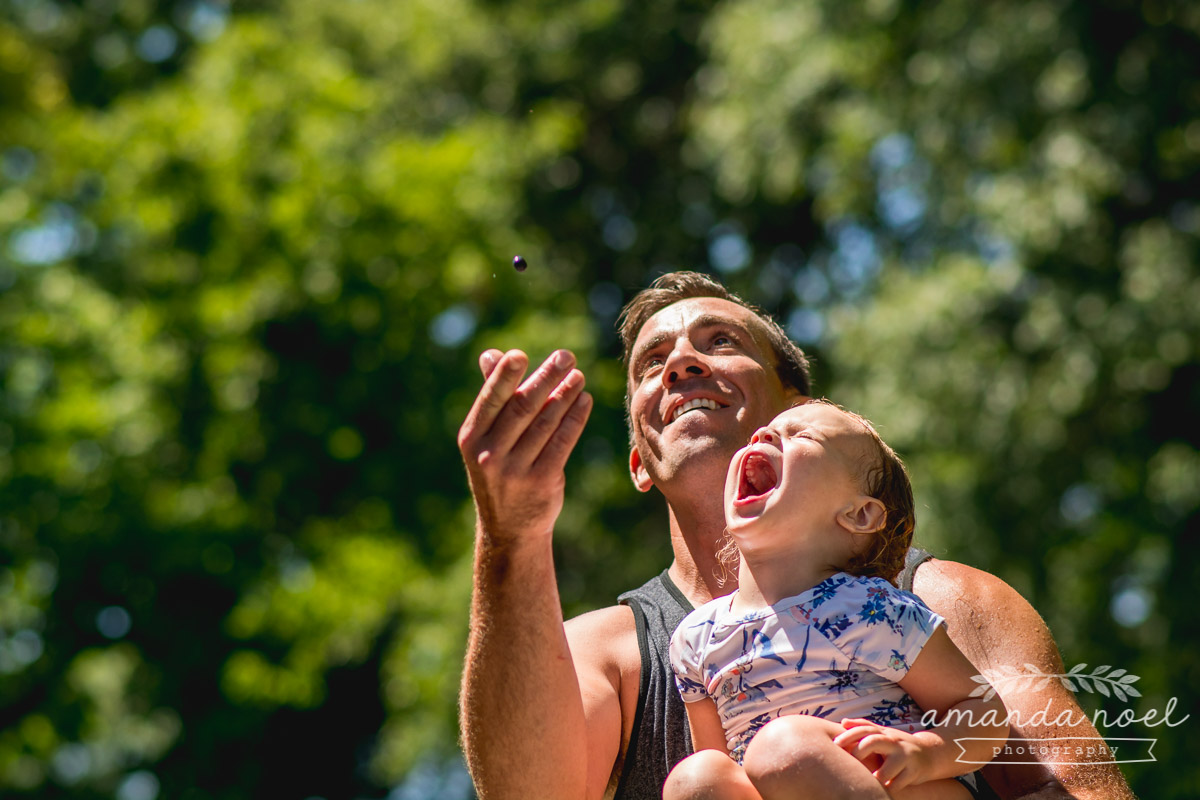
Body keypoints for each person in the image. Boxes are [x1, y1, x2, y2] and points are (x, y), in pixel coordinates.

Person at [457, 271, 1136, 800]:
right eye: (651, 361)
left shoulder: (943, 600)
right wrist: (510, 538)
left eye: (722, 342)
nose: (682, 363)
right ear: (640, 460)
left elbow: (1063, 786)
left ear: (800, 412)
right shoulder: (608, 651)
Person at [665, 400, 1008, 800]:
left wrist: (925, 752)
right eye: (764, 431)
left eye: (804, 435)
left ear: (859, 515)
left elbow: (983, 711)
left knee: (783, 748)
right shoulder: (695, 639)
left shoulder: (869, 608)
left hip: (903, 790)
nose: (764, 435)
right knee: (697, 779)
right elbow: (722, 766)